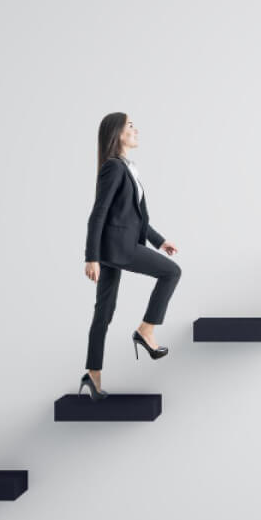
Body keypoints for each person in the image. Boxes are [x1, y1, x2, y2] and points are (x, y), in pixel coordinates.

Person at [79, 111, 182, 401]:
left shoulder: (127, 168)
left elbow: (134, 219)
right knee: (171, 273)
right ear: (117, 134)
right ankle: (146, 330)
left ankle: (93, 375)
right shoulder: (113, 167)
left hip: (116, 247)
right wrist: (91, 257)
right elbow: (97, 213)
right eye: (130, 126)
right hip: (116, 249)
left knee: (104, 313)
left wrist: (160, 242)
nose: (136, 130)